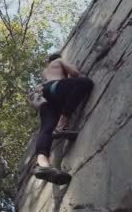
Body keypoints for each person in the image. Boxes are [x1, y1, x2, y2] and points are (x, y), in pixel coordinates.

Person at [31, 53, 94, 185]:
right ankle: (62, 124)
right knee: (85, 83)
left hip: (45, 97)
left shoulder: (45, 72)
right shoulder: (59, 61)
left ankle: (42, 164)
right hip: (55, 89)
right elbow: (75, 73)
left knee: (47, 128)